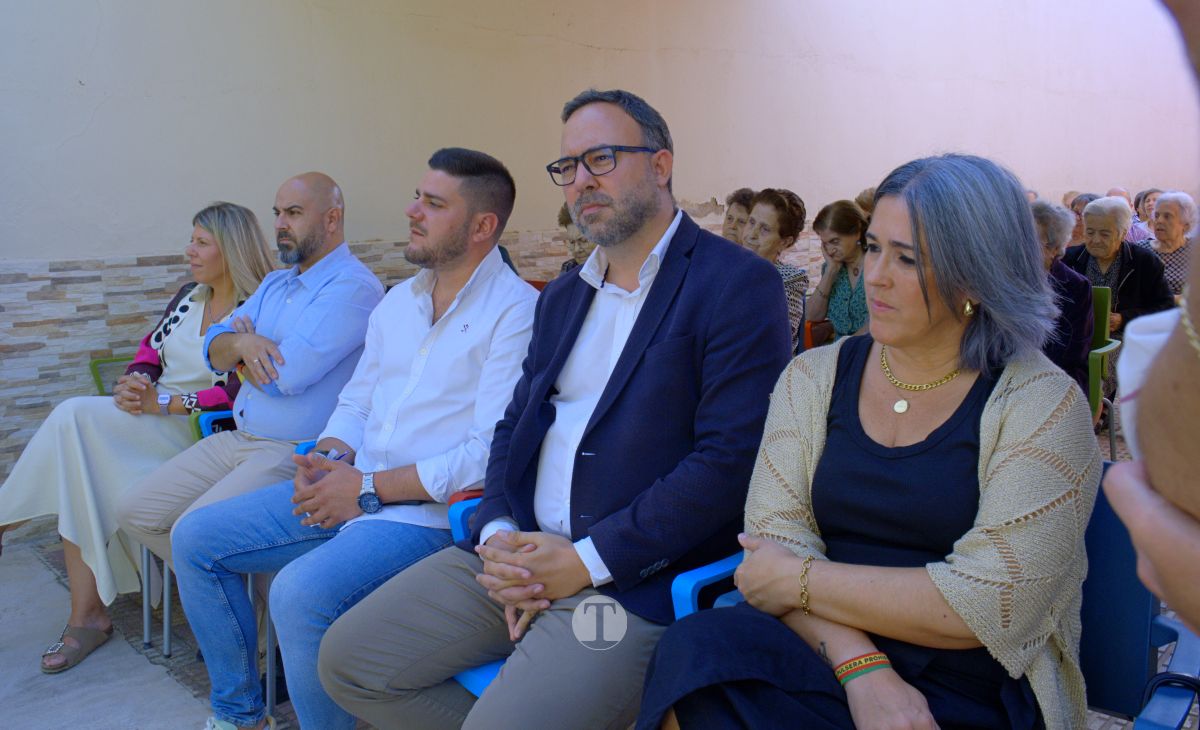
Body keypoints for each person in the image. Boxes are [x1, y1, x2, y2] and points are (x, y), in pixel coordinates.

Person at [317, 88, 792, 730]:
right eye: (567, 166)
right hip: (517, 556)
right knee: (349, 661)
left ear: (660, 165)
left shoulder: (734, 284)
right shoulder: (564, 296)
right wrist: (497, 535)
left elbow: (729, 462)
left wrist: (585, 561)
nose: (580, 181)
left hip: (625, 584)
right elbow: (514, 427)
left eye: (601, 158)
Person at [638, 154, 1101, 730]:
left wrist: (799, 580)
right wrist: (862, 667)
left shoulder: (1041, 404)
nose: (876, 275)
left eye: (907, 258)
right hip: (823, 642)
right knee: (697, 652)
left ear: (978, 276)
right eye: (874, 246)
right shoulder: (812, 378)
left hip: (967, 677)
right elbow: (775, 541)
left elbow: (993, 604)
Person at [171, 149, 536, 730]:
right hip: (353, 488)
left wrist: (365, 488)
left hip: (427, 517)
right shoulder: (399, 302)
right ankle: (239, 716)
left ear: (482, 226)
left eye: (433, 204)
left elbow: (485, 457)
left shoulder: (516, 312)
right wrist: (327, 456)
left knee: (298, 594)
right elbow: (357, 402)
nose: (411, 211)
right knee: (195, 538)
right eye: (417, 197)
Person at [0, 202, 273, 673]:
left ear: (231, 249)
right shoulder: (190, 297)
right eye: (191, 240)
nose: (189, 250)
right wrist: (136, 381)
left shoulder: (259, 309)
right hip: (149, 419)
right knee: (76, 448)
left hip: (198, 434)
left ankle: (70, 597)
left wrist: (165, 403)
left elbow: (240, 393)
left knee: (74, 421)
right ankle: (84, 613)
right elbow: (151, 350)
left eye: (201, 242)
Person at [116, 173, 384, 565]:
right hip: (238, 436)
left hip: (290, 451)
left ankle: (226, 585)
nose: (280, 224)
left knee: (192, 531)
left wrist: (237, 352)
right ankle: (221, 583)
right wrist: (244, 343)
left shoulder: (353, 287)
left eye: (294, 213)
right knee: (134, 511)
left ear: (332, 219)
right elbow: (211, 350)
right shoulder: (275, 283)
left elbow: (286, 377)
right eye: (277, 213)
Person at [1102, 0, 1200, 633]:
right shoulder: (1138, 256)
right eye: (1154, 214)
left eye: (1168, 216)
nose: (1158, 222)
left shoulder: (1181, 262)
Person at [1063, 196, 1174, 336]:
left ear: (1123, 234)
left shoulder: (1144, 261)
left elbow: (1165, 307)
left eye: (1105, 234)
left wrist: (1124, 318)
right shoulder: (1069, 259)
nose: (1096, 240)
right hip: (1077, 339)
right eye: (1090, 232)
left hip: (1127, 339)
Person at [1032, 199, 1094, 394]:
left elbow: (1071, 351)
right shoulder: (1008, 279)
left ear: (1054, 248)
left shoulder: (1076, 286)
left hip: (1059, 377)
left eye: (1030, 241)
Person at [744, 188, 810, 350]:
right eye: (751, 222)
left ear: (785, 242)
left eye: (765, 229)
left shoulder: (789, 280)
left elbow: (774, 341)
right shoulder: (727, 268)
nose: (752, 234)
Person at [807, 200, 870, 345]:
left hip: (874, 348)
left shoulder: (876, 265)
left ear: (857, 232)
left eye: (835, 241)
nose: (830, 250)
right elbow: (812, 316)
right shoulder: (830, 268)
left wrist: (843, 349)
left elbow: (881, 322)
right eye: (825, 243)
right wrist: (830, 272)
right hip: (840, 350)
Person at [1146, 190, 1195, 295]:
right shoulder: (1140, 249)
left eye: (1167, 216)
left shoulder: (1195, 251)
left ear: (1185, 224)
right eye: (1157, 215)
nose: (1159, 221)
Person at [556, 201, 595, 276]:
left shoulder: (615, 271)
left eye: (583, 241)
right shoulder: (569, 268)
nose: (576, 249)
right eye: (572, 242)